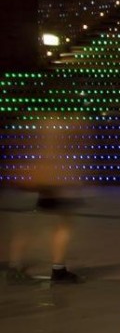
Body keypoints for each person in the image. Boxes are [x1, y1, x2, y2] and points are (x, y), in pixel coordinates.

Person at [8, 115, 90, 283]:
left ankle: (15, 266)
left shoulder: (41, 121)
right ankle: (57, 270)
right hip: (52, 178)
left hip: (40, 177)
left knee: (33, 224)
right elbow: (57, 149)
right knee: (62, 224)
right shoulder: (58, 123)